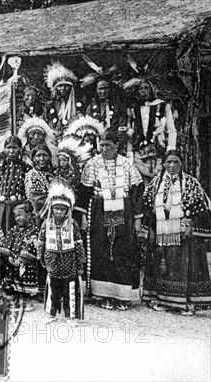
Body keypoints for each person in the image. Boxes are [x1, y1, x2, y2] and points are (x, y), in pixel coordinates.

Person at [76, 131, 143, 310]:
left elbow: (136, 192)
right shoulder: (92, 164)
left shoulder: (127, 164)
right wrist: (83, 217)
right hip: (99, 211)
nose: (105, 149)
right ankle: (102, 295)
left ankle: (122, 296)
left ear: (116, 147)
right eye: (102, 145)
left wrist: (137, 219)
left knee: (122, 250)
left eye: (109, 146)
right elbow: (84, 193)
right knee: (101, 250)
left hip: (123, 211)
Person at [141, 151, 211, 315]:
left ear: (182, 164)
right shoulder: (155, 184)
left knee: (182, 266)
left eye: (176, 162)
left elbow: (202, 210)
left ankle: (185, 303)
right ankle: (163, 299)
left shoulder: (191, 183)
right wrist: (149, 229)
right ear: (163, 164)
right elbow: (147, 207)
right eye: (168, 162)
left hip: (183, 234)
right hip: (161, 232)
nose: (172, 166)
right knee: (162, 265)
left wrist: (191, 227)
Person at [37, 178, 86, 325]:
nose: (59, 212)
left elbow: (78, 244)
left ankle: (71, 316)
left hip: (69, 261)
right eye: (56, 209)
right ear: (52, 209)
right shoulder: (46, 224)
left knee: (70, 290)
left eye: (62, 209)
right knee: (52, 289)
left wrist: (80, 262)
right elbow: (41, 241)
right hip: (52, 260)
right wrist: (41, 256)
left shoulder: (72, 225)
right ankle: (51, 314)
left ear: (68, 210)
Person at [125, 74, 177, 186]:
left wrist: (170, 149)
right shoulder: (133, 108)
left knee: (161, 183)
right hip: (139, 152)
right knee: (143, 186)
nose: (143, 91)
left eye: (146, 88)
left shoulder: (162, 106)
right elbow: (129, 132)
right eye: (141, 88)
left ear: (152, 89)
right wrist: (129, 155)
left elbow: (171, 130)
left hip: (158, 150)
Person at [0, 203, 40, 311]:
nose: (18, 218)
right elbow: (7, 243)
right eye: (16, 216)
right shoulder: (14, 230)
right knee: (12, 280)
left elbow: (31, 247)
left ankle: (27, 302)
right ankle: (15, 300)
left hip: (25, 263)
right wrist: (9, 257)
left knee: (24, 279)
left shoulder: (33, 231)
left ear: (28, 215)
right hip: (12, 261)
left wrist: (21, 260)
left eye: (20, 215)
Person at [0, 135, 30, 234]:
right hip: (0, 208)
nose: (11, 151)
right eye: (8, 147)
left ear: (20, 149)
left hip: (17, 209)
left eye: (14, 148)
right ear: (4, 149)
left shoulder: (26, 168)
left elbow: (28, 191)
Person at [43, 62, 83, 139]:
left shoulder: (78, 105)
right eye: (60, 86)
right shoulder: (49, 106)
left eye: (66, 86)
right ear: (54, 88)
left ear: (71, 88)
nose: (63, 89)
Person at [25, 145, 54, 223]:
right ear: (33, 159)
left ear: (50, 157)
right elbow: (37, 201)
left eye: (45, 155)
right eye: (38, 156)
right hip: (40, 216)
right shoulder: (33, 175)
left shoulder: (53, 173)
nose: (42, 158)